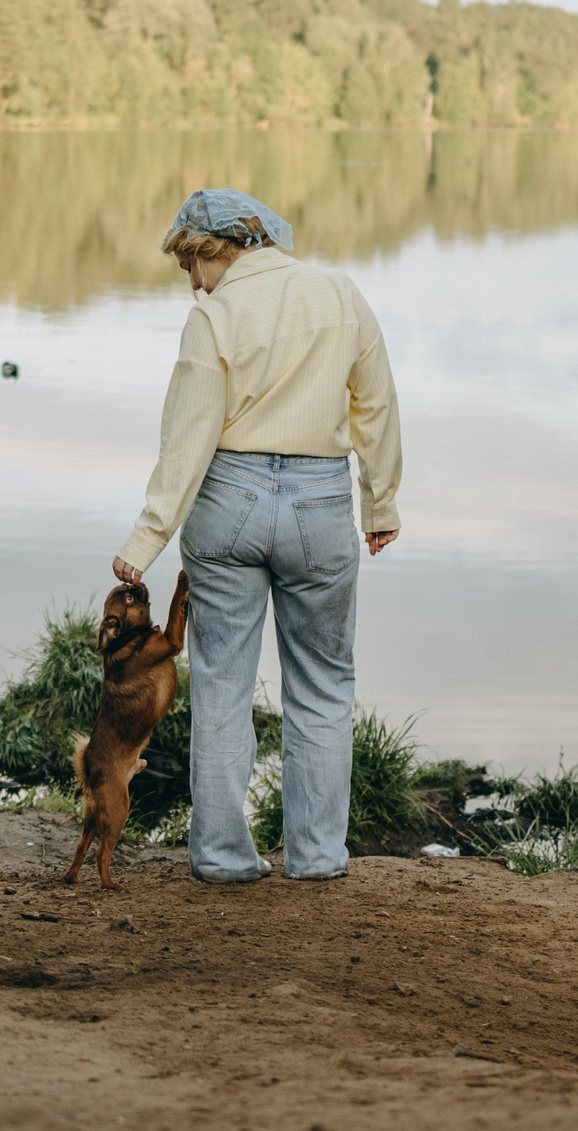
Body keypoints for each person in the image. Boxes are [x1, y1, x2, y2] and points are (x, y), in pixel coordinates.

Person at [112, 187, 402, 883]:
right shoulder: (340, 294)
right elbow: (377, 401)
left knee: (221, 684)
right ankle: (317, 854)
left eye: (192, 265)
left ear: (217, 247)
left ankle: (219, 855)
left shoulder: (215, 318)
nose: (192, 284)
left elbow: (189, 436)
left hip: (229, 501)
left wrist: (146, 539)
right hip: (320, 504)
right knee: (324, 683)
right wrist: (380, 503)